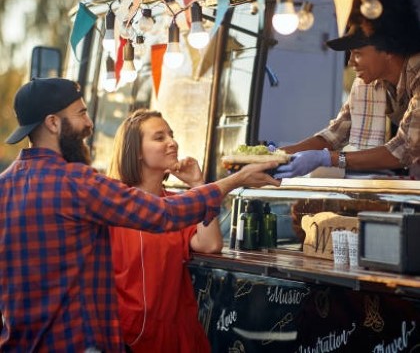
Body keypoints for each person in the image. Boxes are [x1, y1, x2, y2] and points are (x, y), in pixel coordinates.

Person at [0, 77, 280, 352]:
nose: (89, 123)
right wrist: (236, 179)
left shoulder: (4, 185)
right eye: (82, 113)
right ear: (53, 123)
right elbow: (164, 214)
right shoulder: (75, 181)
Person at [275, 0, 420, 179]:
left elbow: (403, 149)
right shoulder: (369, 84)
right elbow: (336, 133)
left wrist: (326, 159)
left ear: (388, 50)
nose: (351, 62)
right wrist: (278, 155)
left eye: (358, 53)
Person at [108, 109, 221, 352]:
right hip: (124, 337)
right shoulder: (112, 204)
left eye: (171, 134)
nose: (172, 142)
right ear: (136, 151)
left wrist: (198, 185)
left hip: (173, 338)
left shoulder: (176, 204)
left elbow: (210, 244)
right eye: (159, 138)